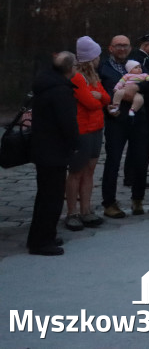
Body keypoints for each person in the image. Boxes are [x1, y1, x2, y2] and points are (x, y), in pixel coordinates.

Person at [28, 52, 79, 256]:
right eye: (75, 65)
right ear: (69, 68)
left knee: (45, 195)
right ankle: (42, 242)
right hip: (54, 150)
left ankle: (42, 235)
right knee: (52, 197)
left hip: (43, 147)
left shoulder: (45, 84)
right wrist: (74, 143)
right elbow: (67, 122)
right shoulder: (60, 91)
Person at [98, 34, 149, 218]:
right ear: (110, 48)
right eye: (118, 45)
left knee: (140, 159)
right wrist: (131, 91)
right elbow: (106, 90)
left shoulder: (137, 65)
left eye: (126, 45)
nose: (122, 49)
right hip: (116, 121)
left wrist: (135, 89)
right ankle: (109, 203)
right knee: (113, 160)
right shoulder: (103, 67)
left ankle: (138, 199)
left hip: (138, 119)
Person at [65, 37, 109, 232]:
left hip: (96, 129)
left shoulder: (94, 77)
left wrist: (99, 98)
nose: (100, 59)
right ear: (92, 58)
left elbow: (106, 98)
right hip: (82, 131)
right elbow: (91, 103)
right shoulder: (77, 77)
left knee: (89, 171)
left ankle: (86, 210)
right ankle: (72, 213)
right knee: (76, 172)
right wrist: (99, 99)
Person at [126, 32, 149, 188]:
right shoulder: (138, 60)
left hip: (147, 107)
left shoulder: (146, 59)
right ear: (146, 45)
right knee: (142, 143)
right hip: (144, 108)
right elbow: (148, 86)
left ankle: (135, 175)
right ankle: (134, 175)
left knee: (145, 142)